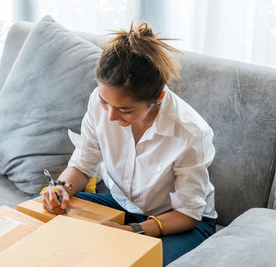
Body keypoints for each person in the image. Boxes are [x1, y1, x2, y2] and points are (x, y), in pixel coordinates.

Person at [40, 21, 217, 266]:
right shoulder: (98, 102)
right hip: (124, 205)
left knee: (127, 261)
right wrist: (61, 188)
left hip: (181, 223)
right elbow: (83, 164)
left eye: (124, 109)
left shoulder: (190, 133)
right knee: (40, 214)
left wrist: (136, 231)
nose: (110, 116)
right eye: (105, 102)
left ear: (157, 98)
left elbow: (188, 213)